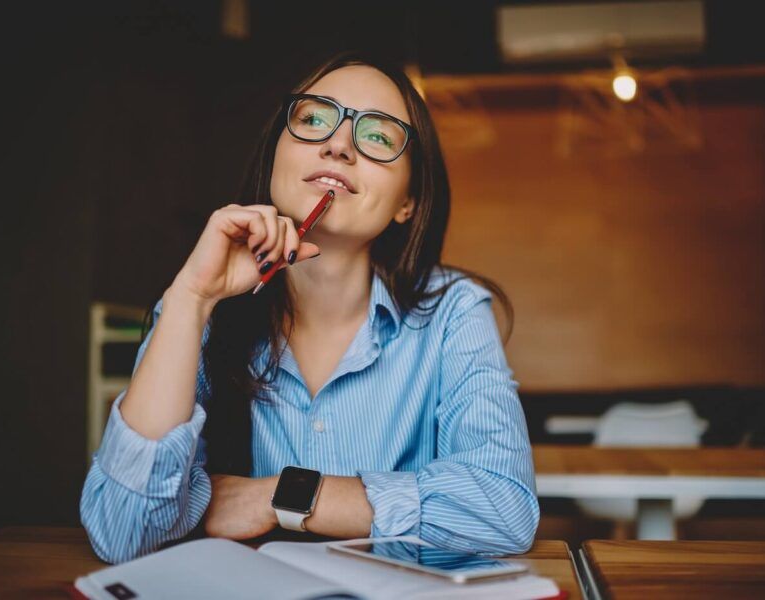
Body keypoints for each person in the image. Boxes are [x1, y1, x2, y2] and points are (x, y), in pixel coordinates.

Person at [80, 52, 539, 564]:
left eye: (379, 137)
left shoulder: (453, 311)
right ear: (275, 156)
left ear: (408, 202)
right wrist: (192, 298)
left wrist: (281, 496)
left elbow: (502, 508)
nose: (338, 144)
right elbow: (122, 532)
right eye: (314, 119)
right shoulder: (203, 302)